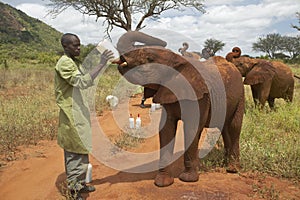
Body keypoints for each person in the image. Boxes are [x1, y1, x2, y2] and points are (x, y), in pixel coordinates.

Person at [54, 33, 114, 200]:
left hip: (78, 111)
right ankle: (73, 192)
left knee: (81, 149)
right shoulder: (65, 63)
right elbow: (81, 82)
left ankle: (80, 184)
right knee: (74, 152)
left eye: (79, 44)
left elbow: (85, 77)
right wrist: (102, 63)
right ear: (65, 47)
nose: (78, 48)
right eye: (74, 45)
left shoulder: (72, 61)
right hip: (71, 113)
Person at [116, 31, 167, 108]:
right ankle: (144, 101)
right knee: (149, 87)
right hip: (150, 74)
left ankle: (162, 101)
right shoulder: (145, 57)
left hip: (158, 74)